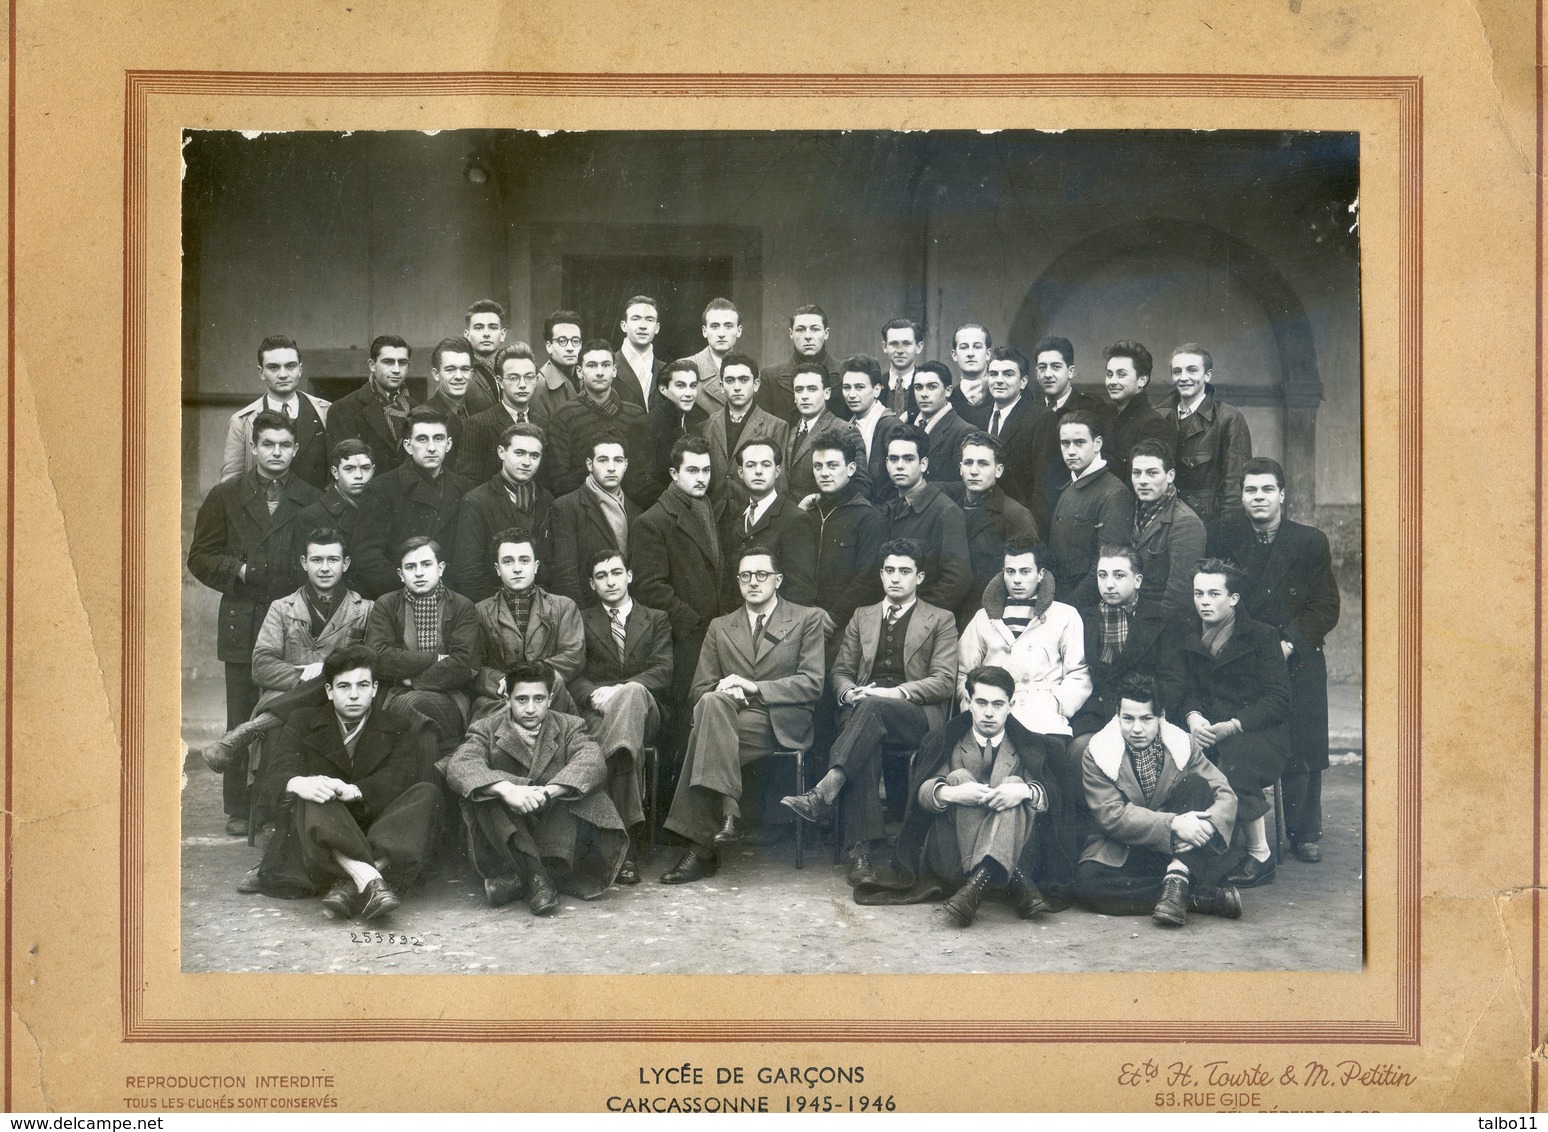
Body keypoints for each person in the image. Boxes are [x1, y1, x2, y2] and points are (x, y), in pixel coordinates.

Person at [780, 540, 958, 885]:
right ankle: (860, 855)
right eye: (889, 570)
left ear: (919, 577)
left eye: (904, 572)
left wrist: (892, 693)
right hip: (863, 710)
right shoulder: (862, 616)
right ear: (880, 574)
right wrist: (848, 691)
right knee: (865, 734)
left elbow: (945, 680)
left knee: (869, 712)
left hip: (914, 715)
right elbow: (842, 670)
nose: (895, 579)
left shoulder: (940, 619)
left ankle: (826, 795)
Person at [659, 548, 830, 883]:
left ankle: (706, 841)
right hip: (728, 716)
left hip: (778, 720)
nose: (753, 582)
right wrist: (728, 693)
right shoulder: (721, 626)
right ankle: (725, 820)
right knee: (711, 705)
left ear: (778, 580)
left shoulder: (806, 619)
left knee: (703, 731)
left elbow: (812, 683)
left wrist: (753, 688)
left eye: (762, 575)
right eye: (745, 576)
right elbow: (701, 689)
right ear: (737, 582)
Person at [188, 410, 322, 835]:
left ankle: (280, 799)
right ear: (253, 447)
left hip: (293, 619)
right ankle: (237, 806)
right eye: (268, 444)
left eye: (285, 445)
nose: (276, 452)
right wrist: (239, 571)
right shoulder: (225, 495)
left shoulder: (311, 497)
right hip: (244, 616)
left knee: (291, 707)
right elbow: (200, 558)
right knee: (241, 711)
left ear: (296, 449)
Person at [1207, 457, 1341, 864]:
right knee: (1239, 735)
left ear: (1282, 494)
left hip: (1294, 654)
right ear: (1242, 496)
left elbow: (1324, 607)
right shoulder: (1225, 536)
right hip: (1242, 653)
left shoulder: (1309, 541)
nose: (1259, 498)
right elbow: (1216, 593)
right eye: (1251, 490)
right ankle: (1235, 822)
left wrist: (1287, 643)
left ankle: (1304, 831)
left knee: (1302, 733)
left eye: (1267, 490)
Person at [253, 645, 444, 920]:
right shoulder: (302, 721)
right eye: (343, 686)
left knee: (427, 791)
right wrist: (297, 783)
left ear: (375, 688)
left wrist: (355, 791)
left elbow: (399, 777)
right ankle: (369, 879)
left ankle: (348, 884)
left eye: (362, 685)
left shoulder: (397, 724)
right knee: (315, 790)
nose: (354, 694)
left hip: (375, 827)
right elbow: (274, 775)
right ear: (329, 691)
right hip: (320, 840)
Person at [854, 666, 1056, 927]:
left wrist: (1025, 791)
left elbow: (1049, 799)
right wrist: (952, 793)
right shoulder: (946, 740)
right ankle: (1013, 879)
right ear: (967, 702)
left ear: (1011, 705)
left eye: (998, 704)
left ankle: (976, 887)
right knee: (958, 776)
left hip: (1011, 848)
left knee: (1015, 783)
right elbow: (923, 794)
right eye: (981, 702)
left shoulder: (1027, 745)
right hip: (953, 856)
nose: (989, 713)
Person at [957, 538, 1092, 896]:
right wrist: (972, 708)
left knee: (1039, 788)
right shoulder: (983, 619)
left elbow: (1078, 673)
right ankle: (989, 864)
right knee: (988, 787)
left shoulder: (1064, 615)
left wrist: (1058, 706)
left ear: (1040, 574)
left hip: (1041, 714)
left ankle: (1034, 867)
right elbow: (964, 673)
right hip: (992, 713)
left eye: (1025, 571)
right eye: (1010, 571)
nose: (1017, 579)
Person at [195, 527, 374, 791]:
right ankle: (270, 819)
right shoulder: (282, 607)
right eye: (316, 560)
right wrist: (302, 675)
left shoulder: (366, 609)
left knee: (334, 682)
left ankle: (247, 730)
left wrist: (326, 670)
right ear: (304, 563)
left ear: (345, 564)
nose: (325, 568)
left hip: (342, 698)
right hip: (283, 697)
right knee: (281, 730)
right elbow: (261, 666)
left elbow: (370, 663)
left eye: (333, 560)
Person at [444, 660, 629, 914]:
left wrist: (547, 792)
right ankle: (540, 877)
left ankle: (522, 878)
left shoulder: (570, 726)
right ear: (507, 699)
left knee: (580, 787)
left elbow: (592, 761)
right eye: (521, 700)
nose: (531, 708)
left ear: (550, 698)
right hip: (512, 827)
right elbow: (460, 765)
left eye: (539, 699)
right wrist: (508, 790)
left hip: (557, 827)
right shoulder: (486, 728)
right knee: (482, 792)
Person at [1073, 673, 1244, 926]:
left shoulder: (1182, 744)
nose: (1137, 728)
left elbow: (1224, 793)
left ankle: (1178, 875)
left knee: (1196, 785)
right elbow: (1112, 815)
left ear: (1161, 716)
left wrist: (1209, 824)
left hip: (1180, 850)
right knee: (1087, 884)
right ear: (1117, 715)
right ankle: (1193, 896)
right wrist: (1173, 823)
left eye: (1146, 719)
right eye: (1128, 719)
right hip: (1129, 845)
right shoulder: (1098, 752)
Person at [1163, 557, 1291, 889]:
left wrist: (1234, 725)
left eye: (1213, 594)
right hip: (1205, 729)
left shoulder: (1262, 636)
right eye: (1198, 593)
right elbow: (1182, 687)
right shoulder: (1186, 632)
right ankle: (1191, 847)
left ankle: (1260, 855)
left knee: (1236, 759)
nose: (1204, 602)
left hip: (1258, 732)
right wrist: (1193, 717)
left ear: (1233, 598)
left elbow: (1277, 699)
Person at [571, 550, 675, 884]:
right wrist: (591, 694)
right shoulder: (581, 619)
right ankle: (626, 848)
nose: (610, 581)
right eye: (601, 576)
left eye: (616, 572)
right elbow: (573, 672)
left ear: (629, 575)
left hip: (647, 713)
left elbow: (663, 671)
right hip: (597, 713)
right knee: (623, 755)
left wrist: (620, 690)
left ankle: (602, 816)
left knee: (631, 694)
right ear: (592, 583)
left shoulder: (656, 618)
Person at [630, 436, 730, 738]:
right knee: (682, 724)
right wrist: (694, 624)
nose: (702, 478)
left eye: (707, 470)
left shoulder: (704, 506)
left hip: (710, 635)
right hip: (682, 640)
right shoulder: (652, 521)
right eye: (693, 471)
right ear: (674, 474)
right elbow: (650, 588)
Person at [363, 536, 481, 754]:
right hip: (395, 693)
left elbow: (464, 663)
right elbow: (378, 656)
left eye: (426, 564)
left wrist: (412, 680)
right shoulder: (386, 605)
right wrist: (434, 659)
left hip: (450, 698)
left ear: (441, 568)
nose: (418, 573)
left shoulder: (463, 607)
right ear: (400, 574)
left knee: (409, 705)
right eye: (410, 567)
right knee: (423, 734)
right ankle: (427, 787)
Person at [353, 405, 472, 600]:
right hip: (399, 599)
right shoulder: (381, 489)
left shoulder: (464, 488)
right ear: (408, 446)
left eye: (438, 439)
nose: (432, 447)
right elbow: (367, 557)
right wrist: (410, 589)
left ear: (449, 444)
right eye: (422, 439)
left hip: (450, 601)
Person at [470, 526, 584, 720]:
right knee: (488, 714)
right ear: (497, 569)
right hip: (501, 698)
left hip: (550, 696)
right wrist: (502, 680)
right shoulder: (479, 611)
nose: (517, 568)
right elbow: (472, 665)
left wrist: (528, 677)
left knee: (553, 686)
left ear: (536, 566)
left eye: (524, 560)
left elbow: (573, 657)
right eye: (508, 561)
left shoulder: (563, 607)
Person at [1068, 545, 1171, 748]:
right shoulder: (1082, 618)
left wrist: (1151, 714)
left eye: (1119, 575)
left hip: (1143, 712)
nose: (1109, 584)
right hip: (1095, 712)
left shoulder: (1161, 618)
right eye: (1102, 575)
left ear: (1138, 580)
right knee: (1081, 749)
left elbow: (1172, 679)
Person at [941, 431, 1039, 629]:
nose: (974, 471)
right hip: (949, 617)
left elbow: (1027, 580)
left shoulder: (1015, 516)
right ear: (960, 468)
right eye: (968, 463)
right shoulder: (948, 508)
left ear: (999, 470)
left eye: (983, 464)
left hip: (993, 620)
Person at [449, 422, 554, 603]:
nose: (526, 462)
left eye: (534, 455)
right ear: (501, 452)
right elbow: (469, 572)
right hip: (494, 608)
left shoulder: (547, 500)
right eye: (519, 453)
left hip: (542, 606)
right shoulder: (476, 501)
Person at [801, 429, 888, 637]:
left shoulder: (869, 518)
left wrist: (833, 619)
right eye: (818, 466)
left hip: (844, 627)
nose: (824, 473)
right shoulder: (807, 512)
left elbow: (867, 579)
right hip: (803, 620)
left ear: (850, 469)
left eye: (832, 466)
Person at [882, 424, 972, 616]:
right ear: (886, 463)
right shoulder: (890, 508)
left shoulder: (945, 511)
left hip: (925, 623)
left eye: (908, 459)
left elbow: (957, 580)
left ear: (923, 464)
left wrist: (916, 616)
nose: (899, 466)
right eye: (893, 459)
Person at [1047, 410, 1135, 607]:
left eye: (1079, 442)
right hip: (1060, 599)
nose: (1070, 450)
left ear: (1097, 444)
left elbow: (1107, 564)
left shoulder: (1113, 493)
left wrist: (1071, 606)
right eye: (1065, 443)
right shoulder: (1069, 486)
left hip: (1087, 607)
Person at [220, 335, 332, 489]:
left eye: (290, 366)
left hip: (315, 509)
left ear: (300, 369)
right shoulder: (242, 421)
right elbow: (231, 483)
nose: (283, 374)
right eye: (274, 367)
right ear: (261, 372)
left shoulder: (326, 412)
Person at [545, 339, 649, 499]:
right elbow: (558, 481)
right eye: (592, 365)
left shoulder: (635, 414)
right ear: (579, 372)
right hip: (582, 509)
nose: (600, 372)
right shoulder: (564, 415)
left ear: (614, 370)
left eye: (606, 365)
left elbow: (641, 475)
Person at [1160, 343, 1252, 522]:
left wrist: (1226, 532)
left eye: (1192, 370)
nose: (1183, 377)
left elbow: (1235, 487)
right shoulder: (1162, 417)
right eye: (1177, 371)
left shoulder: (1228, 418)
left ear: (1207, 375)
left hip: (1209, 522)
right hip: (1167, 519)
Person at [1027, 335, 1112, 529]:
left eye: (1056, 367)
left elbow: (1108, 459)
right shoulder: (1031, 410)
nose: (1048, 374)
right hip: (1038, 512)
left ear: (1070, 371)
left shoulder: (1092, 408)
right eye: (1042, 368)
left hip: (1080, 510)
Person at [718, 437, 815, 605]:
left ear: (777, 471)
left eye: (766, 464)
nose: (758, 471)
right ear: (740, 473)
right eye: (750, 465)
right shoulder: (738, 517)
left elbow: (801, 591)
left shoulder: (795, 519)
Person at [549, 431, 640, 608]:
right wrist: (582, 621)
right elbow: (565, 575)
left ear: (626, 465)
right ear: (590, 464)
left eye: (618, 460)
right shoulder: (567, 507)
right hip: (588, 613)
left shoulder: (635, 511)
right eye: (603, 460)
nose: (611, 467)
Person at [1129, 439, 1206, 623]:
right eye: (1137, 473)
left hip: (1161, 626)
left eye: (1152, 473)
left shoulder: (1185, 522)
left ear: (1170, 475)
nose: (1143, 481)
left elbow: (1179, 594)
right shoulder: (1134, 511)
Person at [700, 352, 789, 502]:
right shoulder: (706, 426)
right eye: (730, 380)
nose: (736, 387)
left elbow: (780, 484)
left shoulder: (777, 427)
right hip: (714, 516)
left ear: (756, 384)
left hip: (754, 515)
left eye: (743, 380)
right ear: (721, 386)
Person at [294, 439, 376, 595]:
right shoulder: (311, 516)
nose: (358, 476)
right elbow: (305, 577)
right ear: (335, 472)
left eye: (365, 468)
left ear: (373, 470)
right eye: (349, 469)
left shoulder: (382, 509)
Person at [455, 343, 543, 484]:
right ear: (500, 381)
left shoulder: (544, 423)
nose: (522, 384)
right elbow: (467, 483)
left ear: (536, 380)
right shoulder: (478, 424)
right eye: (514, 377)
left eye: (529, 377)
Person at [327, 335, 416, 475]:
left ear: (408, 366)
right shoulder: (343, 409)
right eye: (388, 362)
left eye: (402, 362)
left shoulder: (416, 408)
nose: (397, 370)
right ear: (372, 365)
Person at [639, 359, 709, 509]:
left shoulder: (700, 420)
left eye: (693, 386)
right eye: (681, 386)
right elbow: (640, 483)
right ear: (663, 389)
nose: (689, 393)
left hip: (696, 508)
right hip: (661, 510)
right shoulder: (646, 425)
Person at [978, 346, 1042, 506]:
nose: (999, 380)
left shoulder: (1040, 417)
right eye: (993, 374)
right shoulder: (977, 417)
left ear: (1023, 382)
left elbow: (1043, 485)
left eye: (1008, 374)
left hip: (1018, 520)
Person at [1103, 340, 1172, 485]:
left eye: (1121, 375)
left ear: (1142, 380)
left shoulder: (1155, 425)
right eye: (1109, 374)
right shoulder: (1106, 416)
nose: (1112, 381)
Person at [838, 353, 903, 505]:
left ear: (877, 390)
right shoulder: (849, 426)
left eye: (859, 387)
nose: (851, 395)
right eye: (847, 387)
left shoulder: (891, 426)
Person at [783, 362, 846, 501]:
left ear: (827, 393)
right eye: (799, 390)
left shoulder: (843, 429)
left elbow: (858, 485)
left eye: (812, 389)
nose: (804, 396)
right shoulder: (792, 431)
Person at [760, 304, 834, 423]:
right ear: (791, 334)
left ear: (826, 333)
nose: (808, 336)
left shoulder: (843, 374)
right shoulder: (770, 377)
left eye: (815, 329)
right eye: (800, 330)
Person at [907, 362, 975, 484]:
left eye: (932, 387)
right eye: (918, 387)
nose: (924, 394)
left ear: (948, 391)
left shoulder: (964, 431)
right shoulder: (910, 426)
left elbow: (963, 486)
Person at [688, 297, 743, 412]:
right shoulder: (685, 369)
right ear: (704, 331)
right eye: (714, 326)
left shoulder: (749, 371)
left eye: (728, 326)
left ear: (739, 331)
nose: (721, 334)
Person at [423, 337, 479, 449]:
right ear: (436, 374)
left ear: (471, 374)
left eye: (465, 369)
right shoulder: (423, 417)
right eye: (450, 369)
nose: (459, 376)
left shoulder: (480, 411)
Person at [613, 294, 664, 412]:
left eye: (649, 320)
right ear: (623, 326)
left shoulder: (667, 370)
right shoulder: (606, 366)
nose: (643, 326)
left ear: (657, 328)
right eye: (635, 319)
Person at [534, 311, 583, 423]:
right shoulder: (539, 384)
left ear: (580, 345)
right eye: (562, 341)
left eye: (575, 341)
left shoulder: (583, 378)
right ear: (549, 346)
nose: (570, 348)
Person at [462, 298, 508, 409]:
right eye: (478, 328)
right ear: (467, 335)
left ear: (502, 334)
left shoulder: (513, 370)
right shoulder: (461, 373)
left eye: (493, 327)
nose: (486, 334)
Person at [947, 322, 993, 422]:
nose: (970, 354)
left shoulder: (1001, 396)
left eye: (977, 347)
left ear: (988, 354)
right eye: (964, 347)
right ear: (954, 355)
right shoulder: (947, 400)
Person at [880, 318, 924, 417]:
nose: (900, 350)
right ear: (885, 347)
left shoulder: (928, 386)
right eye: (894, 344)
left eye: (906, 344)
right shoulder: (876, 385)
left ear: (918, 347)